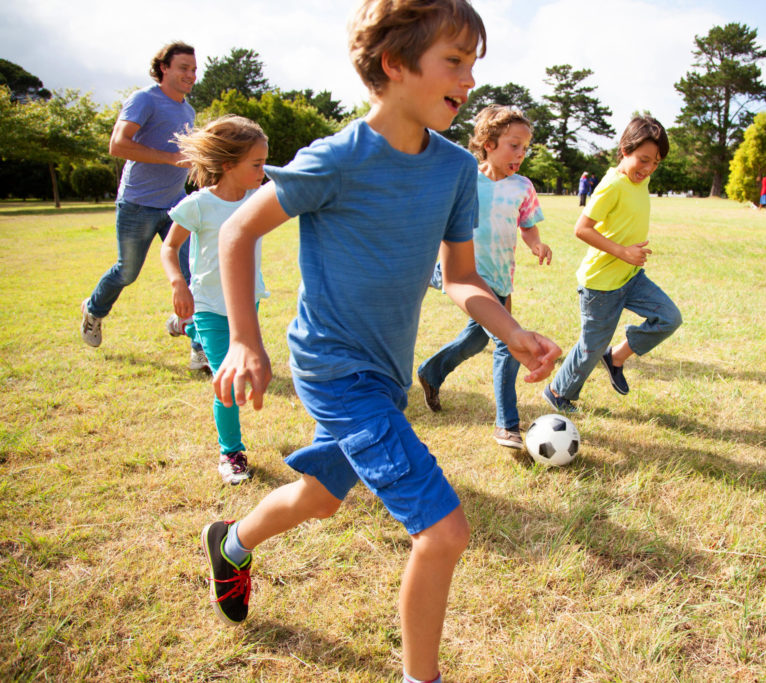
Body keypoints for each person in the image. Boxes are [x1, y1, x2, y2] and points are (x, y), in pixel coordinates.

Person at [199, 3, 560, 683]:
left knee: (322, 495)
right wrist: (243, 341)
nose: (468, 77)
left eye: (473, 63)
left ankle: (231, 540)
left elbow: (458, 278)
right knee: (444, 531)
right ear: (394, 64)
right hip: (335, 370)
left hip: (385, 374)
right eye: (454, 60)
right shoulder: (338, 159)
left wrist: (511, 330)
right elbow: (237, 231)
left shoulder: (454, 169)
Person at [417, 105, 552, 450]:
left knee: (477, 339)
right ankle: (507, 424)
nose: (521, 154)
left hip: (499, 279)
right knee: (507, 344)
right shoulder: (465, 179)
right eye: (514, 145)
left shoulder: (523, 187)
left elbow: (528, 226)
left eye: (525, 148)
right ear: (488, 143)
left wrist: (536, 244)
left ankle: (431, 373)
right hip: (461, 273)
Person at [80, 41, 208, 371]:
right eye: (183, 68)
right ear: (163, 67)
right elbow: (117, 144)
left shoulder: (188, 111)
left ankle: (198, 348)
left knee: (195, 272)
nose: (191, 75)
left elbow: (185, 158)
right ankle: (94, 310)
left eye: (194, 69)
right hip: (137, 203)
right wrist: (170, 158)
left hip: (175, 205)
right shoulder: (143, 99)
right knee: (127, 272)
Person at [542, 115, 682, 414]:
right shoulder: (611, 184)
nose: (648, 169)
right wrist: (623, 252)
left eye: (655, 163)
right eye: (643, 160)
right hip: (601, 284)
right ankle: (557, 392)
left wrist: (629, 258)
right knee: (590, 347)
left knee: (669, 318)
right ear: (624, 149)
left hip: (631, 276)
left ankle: (616, 356)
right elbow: (581, 228)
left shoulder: (640, 178)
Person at [159, 116, 270, 485]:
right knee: (229, 377)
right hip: (208, 302)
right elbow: (169, 248)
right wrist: (179, 284)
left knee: (249, 376)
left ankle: (182, 323)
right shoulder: (199, 205)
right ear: (227, 165)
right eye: (256, 164)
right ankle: (231, 452)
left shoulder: (258, 200)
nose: (263, 171)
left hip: (246, 302)